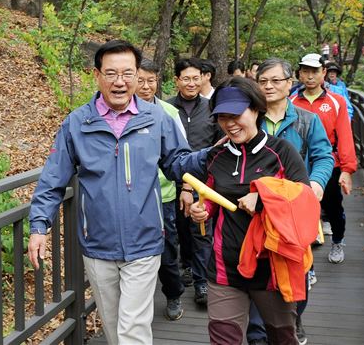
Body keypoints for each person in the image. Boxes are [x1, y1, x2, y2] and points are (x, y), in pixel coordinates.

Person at [27, 40, 208, 345]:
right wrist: (39, 225)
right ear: (96, 75)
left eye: (127, 73)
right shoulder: (77, 123)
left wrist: (213, 157)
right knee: (113, 327)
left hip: (146, 240)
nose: (120, 82)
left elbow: (178, 163)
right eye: (111, 73)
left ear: (138, 76)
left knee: (132, 330)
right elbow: (53, 178)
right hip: (97, 243)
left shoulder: (157, 118)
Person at [190, 77, 319, 345]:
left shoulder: (281, 151)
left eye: (236, 114)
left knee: (281, 336)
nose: (230, 123)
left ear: (256, 110)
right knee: (223, 339)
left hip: (272, 265)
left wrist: (263, 196)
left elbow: (305, 199)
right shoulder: (216, 156)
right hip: (225, 266)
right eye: (222, 117)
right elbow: (212, 195)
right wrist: (203, 209)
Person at [247, 58, 334, 345]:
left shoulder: (307, 120)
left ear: (288, 84)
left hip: (294, 210)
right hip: (256, 212)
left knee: (298, 268)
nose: (269, 86)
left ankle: (293, 318)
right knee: (259, 271)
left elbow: (323, 156)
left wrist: (316, 183)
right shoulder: (248, 118)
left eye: (276, 81)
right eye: (263, 81)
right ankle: (260, 332)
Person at [290, 53, 358, 265]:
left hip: (328, 162)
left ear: (324, 74)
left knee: (333, 205)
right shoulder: (291, 101)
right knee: (299, 208)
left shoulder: (336, 102)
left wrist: (347, 170)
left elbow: (345, 136)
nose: (310, 76)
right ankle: (303, 255)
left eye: (314, 71)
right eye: (305, 71)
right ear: (299, 74)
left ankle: (337, 240)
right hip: (298, 162)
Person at [167, 57, 223, 306]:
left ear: (203, 78)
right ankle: (187, 266)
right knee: (180, 231)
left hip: (204, 182)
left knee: (202, 232)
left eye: (196, 78)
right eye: (186, 78)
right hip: (173, 180)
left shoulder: (212, 108)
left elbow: (219, 146)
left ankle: (202, 282)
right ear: (177, 80)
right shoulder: (166, 109)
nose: (191, 83)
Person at [135, 58, 187, 321]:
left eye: (151, 80)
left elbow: (182, 154)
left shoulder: (169, 112)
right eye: (140, 80)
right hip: (131, 197)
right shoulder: (119, 112)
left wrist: (186, 187)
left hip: (163, 195)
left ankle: (173, 294)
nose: (146, 87)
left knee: (167, 249)